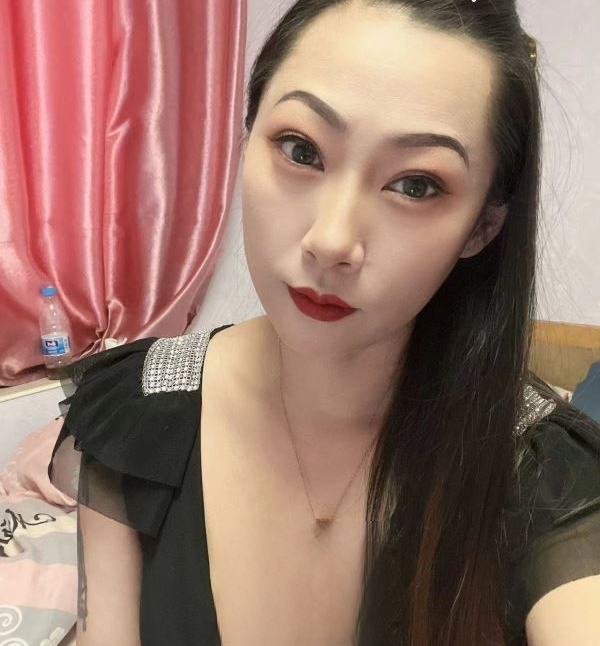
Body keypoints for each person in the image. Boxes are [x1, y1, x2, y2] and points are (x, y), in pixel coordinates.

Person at [48, 1, 600, 644]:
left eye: (417, 185)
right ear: (245, 136)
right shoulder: (135, 409)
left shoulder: (545, 472)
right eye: (300, 149)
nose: (332, 241)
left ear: (482, 227)